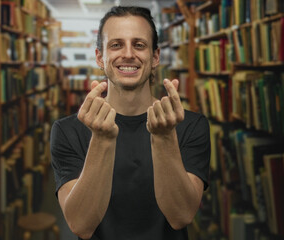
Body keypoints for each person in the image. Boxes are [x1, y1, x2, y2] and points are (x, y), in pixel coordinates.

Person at [50, 6, 210, 240]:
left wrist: (165, 138)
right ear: (99, 58)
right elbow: (81, 225)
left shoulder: (190, 125)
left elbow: (181, 216)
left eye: (139, 44)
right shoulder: (67, 130)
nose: (128, 54)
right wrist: (102, 139)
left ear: (155, 57)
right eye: (116, 45)